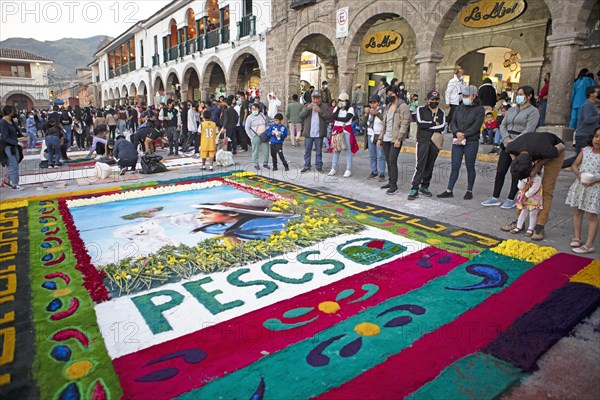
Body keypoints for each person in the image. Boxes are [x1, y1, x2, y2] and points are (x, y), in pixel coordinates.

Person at [481, 86, 540, 209]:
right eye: (517, 94)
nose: (518, 97)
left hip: (521, 143)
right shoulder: (512, 110)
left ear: (529, 96)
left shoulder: (533, 112)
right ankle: (495, 197)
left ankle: (510, 198)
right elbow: (503, 125)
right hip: (507, 142)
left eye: (521, 94)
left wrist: (514, 142)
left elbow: (529, 129)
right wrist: (506, 138)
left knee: (516, 171)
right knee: (500, 170)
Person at [501, 131, 566, 240]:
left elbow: (562, 146)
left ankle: (540, 225)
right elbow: (509, 151)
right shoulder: (513, 147)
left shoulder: (548, 150)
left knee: (546, 189)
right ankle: (519, 223)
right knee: (524, 188)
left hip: (555, 153)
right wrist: (517, 163)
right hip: (531, 149)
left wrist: (539, 164)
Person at [438, 85, 485, 200]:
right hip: (458, 140)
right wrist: (457, 132)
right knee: (455, 165)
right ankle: (449, 189)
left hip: (471, 141)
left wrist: (464, 134)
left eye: (467, 96)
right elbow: (453, 122)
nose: (464, 98)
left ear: (474, 96)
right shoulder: (459, 107)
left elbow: (476, 126)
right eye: (463, 96)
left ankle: (469, 190)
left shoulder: (479, 109)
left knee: (470, 166)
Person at [190, 198, 299, 245]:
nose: (200, 217)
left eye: (206, 213)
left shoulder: (252, 226)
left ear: (232, 213)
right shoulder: (212, 228)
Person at [565, 129, 600, 254]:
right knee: (577, 211)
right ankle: (577, 237)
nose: (598, 139)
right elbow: (575, 164)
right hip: (580, 185)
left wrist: (595, 179)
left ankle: (589, 244)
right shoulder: (585, 151)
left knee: (591, 215)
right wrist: (579, 174)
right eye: (596, 136)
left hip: (595, 189)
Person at [408, 91, 446, 200]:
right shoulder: (421, 109)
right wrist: (434, 124)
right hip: (423, 141)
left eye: (436, 100)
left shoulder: (441, 112)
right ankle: (414, 188)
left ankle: (425, 186)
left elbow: (442, 126)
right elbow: (420, 123)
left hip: (435, 142)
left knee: (430, 165)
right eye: (432, 99)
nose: (434, 101)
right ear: (427, 100)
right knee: (420, 165)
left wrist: (427, 125)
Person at [378, 86, 410, 195]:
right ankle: (390, 181)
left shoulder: (402, 106)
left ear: (396, 94)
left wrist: (399, 138)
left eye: (391, 94)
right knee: (388, 160)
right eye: (388, 94)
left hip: (395, 138)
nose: (389, 96)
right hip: (386, 138)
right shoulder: (388, 106)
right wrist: (380, 137)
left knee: (392, 160)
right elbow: (384, 123)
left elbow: (405, 123)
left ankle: (394, 185)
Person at [563, 86, 599, 168]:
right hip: (583, 135)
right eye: (597, 92)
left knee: (583, 156)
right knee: (579, 156)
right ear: (591, 94)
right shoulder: (588, 105)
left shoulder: (591, 105)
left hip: (587, 134)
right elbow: (588, 119)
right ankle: (558, 165)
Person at [509, 158, 543, 236]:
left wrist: (526, 196)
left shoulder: (537, 178)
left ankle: (531, 228)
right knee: (523, 211)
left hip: (533, 197)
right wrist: (523, 180)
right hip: (525, 196)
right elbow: (520, 187)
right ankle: (519, 226)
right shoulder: (523, 176)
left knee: (533, 213)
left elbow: (534, 189)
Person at [299, 91, 331, 173]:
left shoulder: (324, 106)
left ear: (320, 98)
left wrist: (320, 111)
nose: (316, 100)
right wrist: (307, 109)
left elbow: (328, 116)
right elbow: (301, 115)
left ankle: (319, 166)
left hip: (319, 133)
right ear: (312, 99)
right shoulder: (307, 105)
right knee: (307, 151)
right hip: (309, 133)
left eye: (317, 98)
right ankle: (307, 166)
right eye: (314, 98)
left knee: (319, 151)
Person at [328, 92, 358, 178]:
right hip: (337, 130)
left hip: (346, 130)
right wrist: (338, 108)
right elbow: (332, 116)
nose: (342, 102)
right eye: (340, 100)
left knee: (348, 150)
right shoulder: (336, 109)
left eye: (344, 101)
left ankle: (348, 169)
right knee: (336, 150)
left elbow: (346, 119)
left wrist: (337, 118)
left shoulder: (350, 109)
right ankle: (333, 168)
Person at [0, 106, 24, 190]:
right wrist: (17, 142)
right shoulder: (3, 122)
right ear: (9, 112)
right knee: (13, 164)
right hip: (7, 146)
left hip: (14, 146)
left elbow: (15, 132)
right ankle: (15, 184)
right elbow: (4, 137)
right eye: (13, 111)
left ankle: (7, 180)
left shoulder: (11, 121)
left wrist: (22, 136)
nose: (15, 112)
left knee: (16, 162)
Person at [363, 94, 386, 182]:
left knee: (380, 155)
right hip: (370, 134)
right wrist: (365, 114)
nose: (373, 105)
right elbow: (364, 124)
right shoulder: (369, 111)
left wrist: (377, 114)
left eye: (374, 103)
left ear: (378, 103)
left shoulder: (382, 110)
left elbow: (385, 120)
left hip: (378, 134)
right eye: (371, 103)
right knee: (372, 155)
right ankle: (374, 171)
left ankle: (381, 173)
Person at [245, 103, 269, 170]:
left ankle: (265, 163)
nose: (254, 110)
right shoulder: (249, 117)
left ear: (258, 109)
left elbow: (266, 123)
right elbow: (247, 128)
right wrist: (251, 137)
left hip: (264, 135)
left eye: (255, 109)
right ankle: (256, 164)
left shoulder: (262, 115)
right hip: (255, 136)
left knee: (266, 150)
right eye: (252, 109)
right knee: (255, 150)